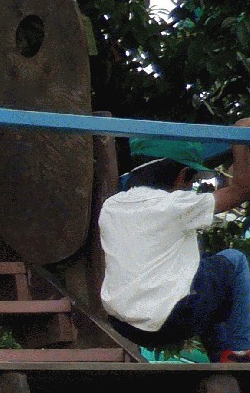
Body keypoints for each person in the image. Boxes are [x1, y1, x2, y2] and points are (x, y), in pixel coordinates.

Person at [98, 126, 250, 362]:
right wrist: (241, 136)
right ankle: (241, 351)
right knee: (234, 261)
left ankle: (223, 356)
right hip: (168, 320)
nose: (191, 187)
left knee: (204, 274)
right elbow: (241, 190)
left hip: (123, 324)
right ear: (182, 175)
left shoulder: (111, 206)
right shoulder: (174, 205)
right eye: (192, 180)